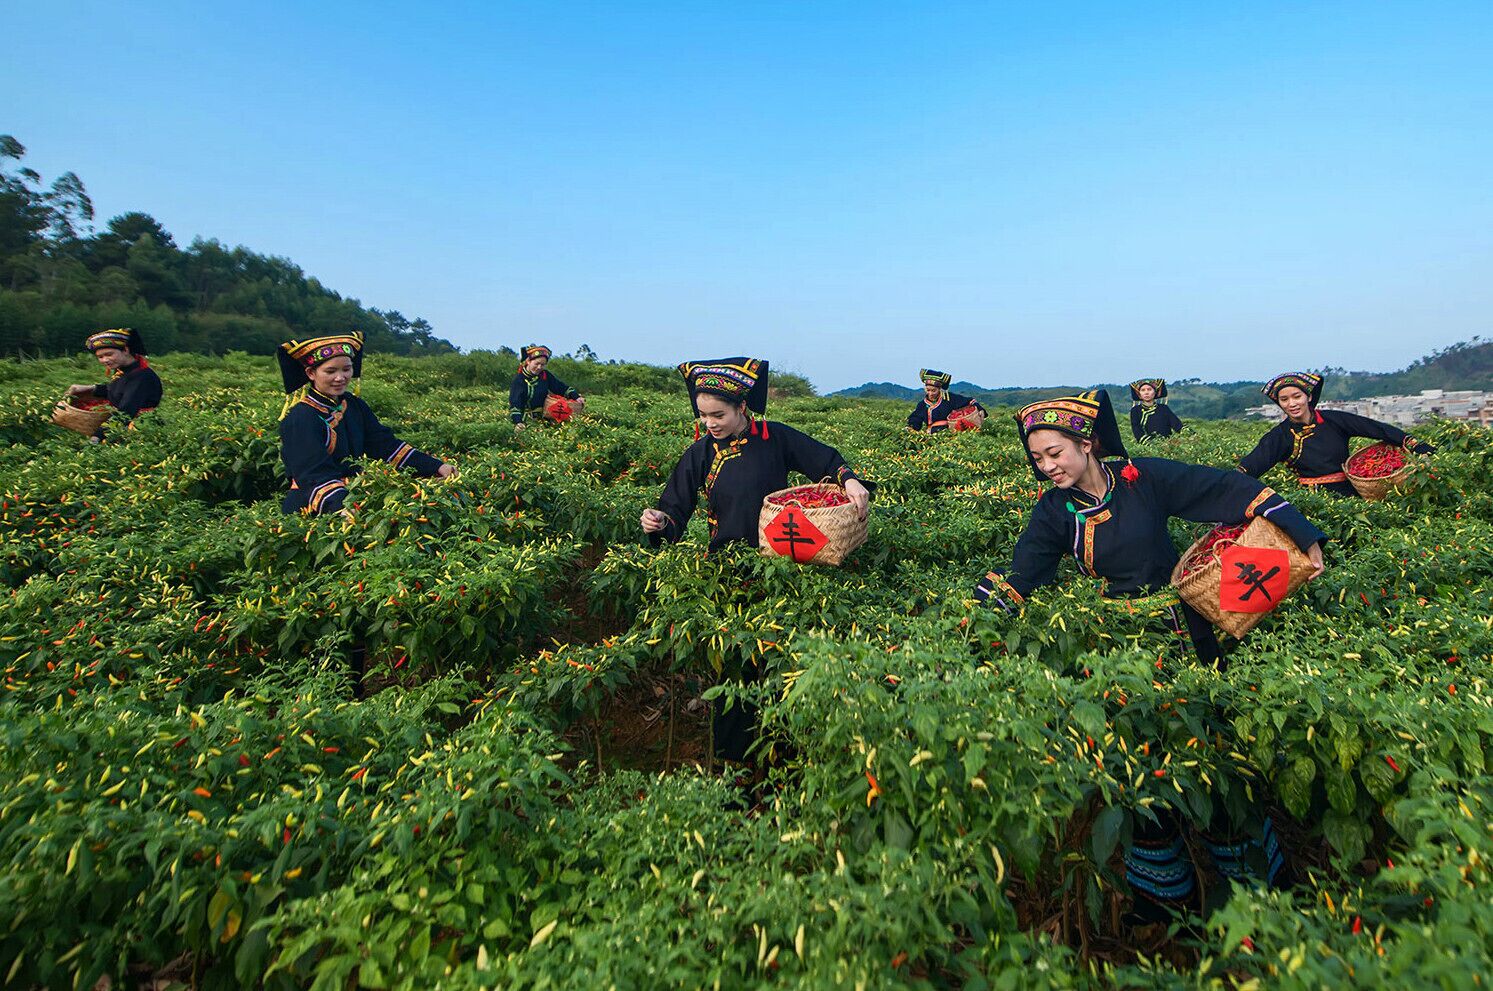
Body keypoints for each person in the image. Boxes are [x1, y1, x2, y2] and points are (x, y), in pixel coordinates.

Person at [972, 390, 1327, 921]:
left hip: (1186, 634)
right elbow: (1025, 570)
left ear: (1087, 444)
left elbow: (1225, 486)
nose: (1046, 466)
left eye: (1055, 453)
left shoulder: (1143, 479)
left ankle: (1259, 890)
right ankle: (1166, 897)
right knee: (1143, 766)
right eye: (1038, 458)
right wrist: (974, 619)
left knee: (1214, 755)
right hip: (1121, 650)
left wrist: (1302, 534)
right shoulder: (1054, 511)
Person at [640, 357, 872, 763]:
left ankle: (791, 753)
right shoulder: (699, 454)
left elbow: (826, 459)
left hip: (784, 566)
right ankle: (736, 762)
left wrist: (850, 480)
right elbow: (674, 508)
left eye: (719, 414)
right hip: (728, 573)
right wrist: (658, 522)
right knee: (736, 667)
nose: (710, 423)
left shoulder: (774, 438)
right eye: (703, 415)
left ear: (742, 408)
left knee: (787, 660)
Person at [277, 332, 454, 516]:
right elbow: (312, 474)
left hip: (355, 498)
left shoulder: (354, 405)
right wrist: (339, 507)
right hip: (314, 507)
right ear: (311, 373)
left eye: (346, 369)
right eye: (330, 371)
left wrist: (436, 467)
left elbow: (385, 446)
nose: (340, 377)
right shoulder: (300, 417)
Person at [1240, 372, 1435, 497]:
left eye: (1296, 396)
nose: (1292, 404)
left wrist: (1412, 443)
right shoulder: (1279, 436)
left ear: (1308, 396)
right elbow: (1252, 466)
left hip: (1352, 492)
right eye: (1284, 399)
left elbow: (1374, 428)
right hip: (1314, 499)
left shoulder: (1334, 420)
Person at [65, 329, 163, 441]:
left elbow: (125, 412)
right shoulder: (122, 370)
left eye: (109, 354)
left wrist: (97, 437)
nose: (105, 360)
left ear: (125, 350)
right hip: (123, 426)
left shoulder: (142, 376)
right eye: (100, 357)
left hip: (140, 431)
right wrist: (90, 388)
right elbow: (116, 390)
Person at [510, 344, 584, 431]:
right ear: (528, 361)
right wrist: (518, 422)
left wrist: (576, 397)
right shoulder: (519, 380)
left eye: (543, 365)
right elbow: (515, 404)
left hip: (546, 420)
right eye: (537, 364)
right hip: (526, 422)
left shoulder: (545, 375)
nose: (539, 367)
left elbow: (560, 388)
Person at [907, 369, 986, 432]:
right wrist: (912, 427)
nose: (930, 393)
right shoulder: (922, 404)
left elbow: (970, 401)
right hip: (930, 434)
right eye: (928, 390)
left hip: (949, 432)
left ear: (940, 389)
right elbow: (916, 418)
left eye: (933, 390)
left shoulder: (950, 399)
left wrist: (980, 409)